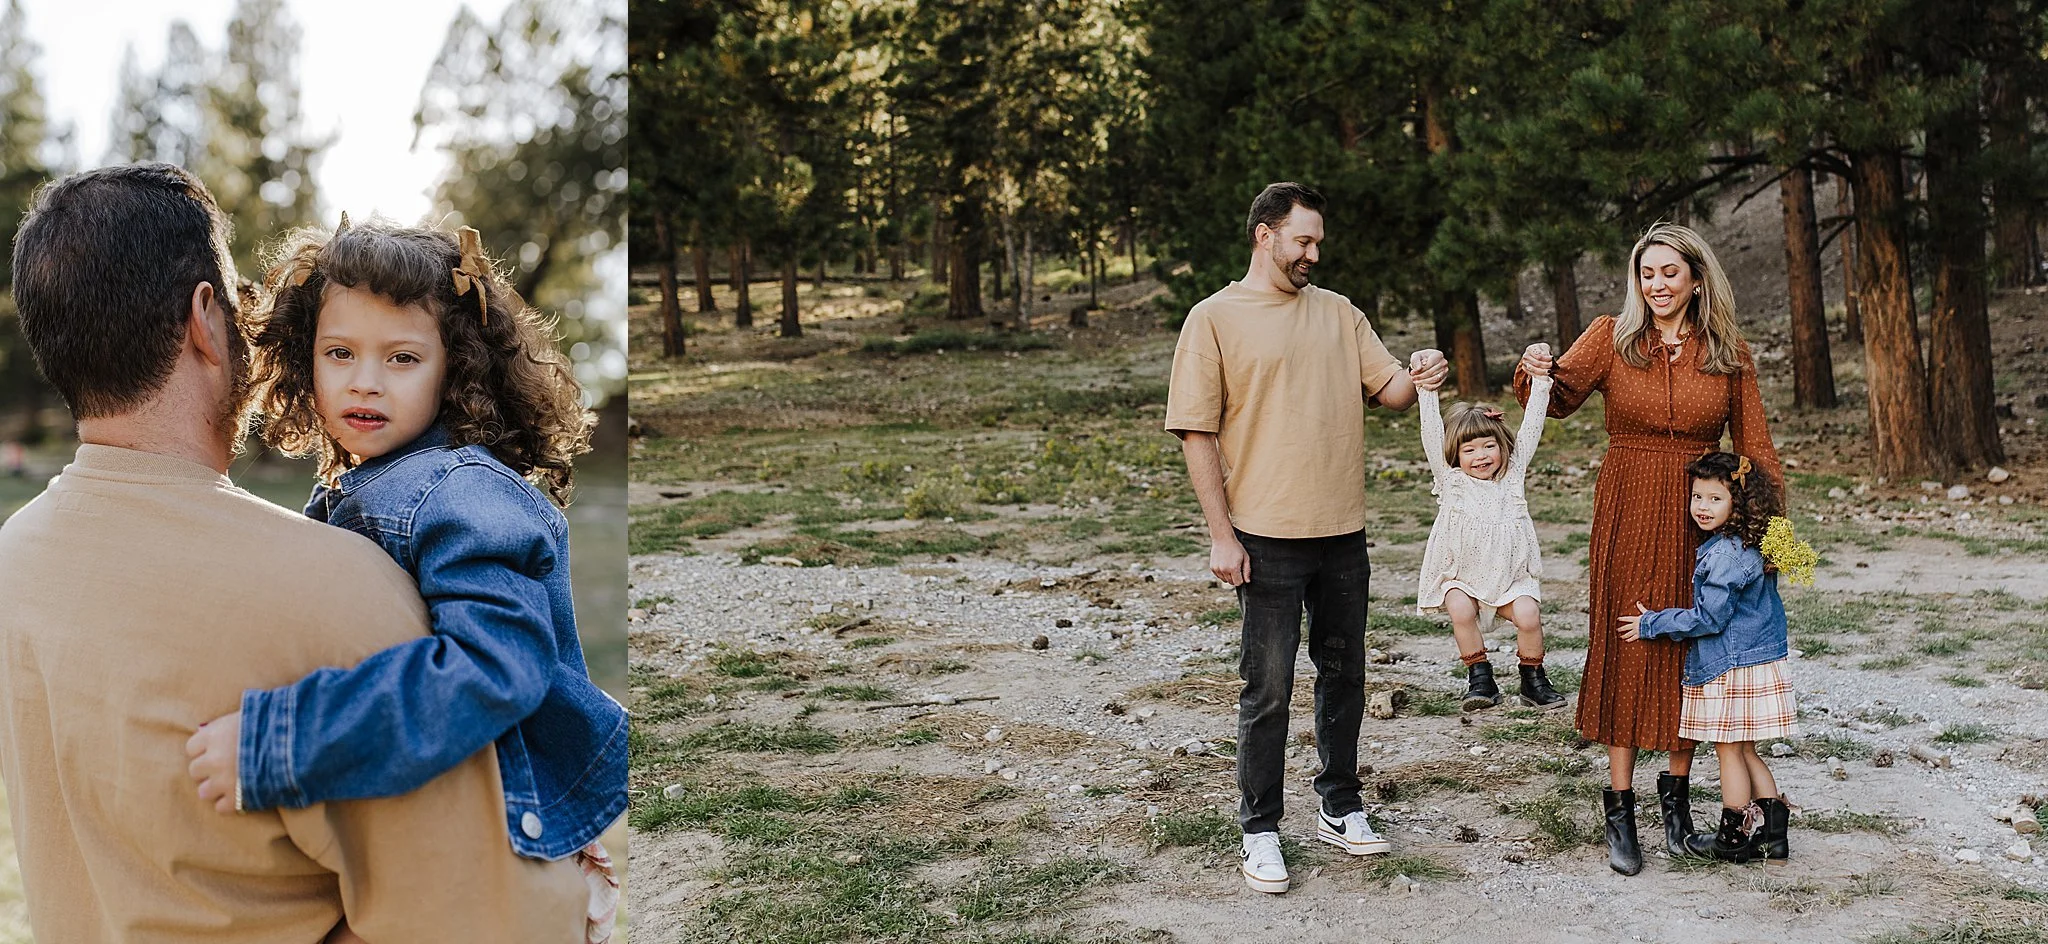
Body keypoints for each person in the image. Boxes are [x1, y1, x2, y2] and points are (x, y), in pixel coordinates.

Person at [0, 162, 588, 942]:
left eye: (402, 357)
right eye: (339, 351)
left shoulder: (17, 560)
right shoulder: (346, 592)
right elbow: (514, 923)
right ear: (206, 319)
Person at [181, 217, 628, 943]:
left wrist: (283, 743)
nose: (365, 380)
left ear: (454, 369)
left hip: (509, 862)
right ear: (304, 359)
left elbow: (492, 668)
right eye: (340, 352)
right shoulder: (364, 486)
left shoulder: (456, 492)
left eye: (402, 359)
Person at [1165, 181, 1450, 894]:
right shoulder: (1214, 319)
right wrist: (1221, 536)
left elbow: (1385, 388)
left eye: (1317, 242)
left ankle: (1340, 806)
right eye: (1303, 241)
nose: (1313, 254)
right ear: (1265, 234)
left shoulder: (1339, 313)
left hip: (1343, 535)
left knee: (1345, 677)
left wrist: (1422, 374)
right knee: (1266, 690)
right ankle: (1260, 828)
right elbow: (1196, 434)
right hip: (1264, 537)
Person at [1514, 222, 1783, 875]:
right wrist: (1534, 369)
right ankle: (1620, 810)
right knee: (1630, 644)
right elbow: (1557, 396)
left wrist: (1771, 544)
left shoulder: (1727, 350)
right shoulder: (1612, 337)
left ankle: (1678, 808)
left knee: (1694, 652)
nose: (1657, 284)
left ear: (1696, 279)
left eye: (1670, 272)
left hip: (1702, 523)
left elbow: (1756, 450)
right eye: (1647, 273)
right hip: (1629, 507)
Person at [1621, 452, 1811, 862]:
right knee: (1746, 751)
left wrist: (1653, 623)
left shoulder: (1723, 555)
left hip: (1730, 666)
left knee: (1728, 751)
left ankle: (1733, 837)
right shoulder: (1755, 543)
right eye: (1697, 497)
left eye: (1714, 499)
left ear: (1736, 504)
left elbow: (1709, 618)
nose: (1702, 508)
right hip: (1758, 659)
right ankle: (1774, 836)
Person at [1414, 354, 1567, 712]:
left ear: (1502, 447)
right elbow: (1431, 432)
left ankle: (1533, 679)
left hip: (1510, 578)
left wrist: (1541, 383)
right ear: (1455, 454)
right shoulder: (1451, 482)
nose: (1480, 456)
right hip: (1463, 577)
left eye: (1488, 446)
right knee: (1459, 608)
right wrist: (1426, 392)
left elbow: (1532, 427)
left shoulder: (1513, 478)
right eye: (1469, 449)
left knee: (1529, 616)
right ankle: (1479, 677)